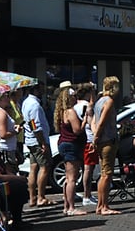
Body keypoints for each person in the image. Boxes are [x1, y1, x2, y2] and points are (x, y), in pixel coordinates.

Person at [54, 85, 87, 216]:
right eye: (73, 96)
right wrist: (84, 121)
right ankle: (71, 207)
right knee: (72, 178)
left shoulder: (61, 112)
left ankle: (66, 206)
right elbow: (77, 130)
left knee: (68, 178)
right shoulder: (70, 112)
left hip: (64, 144)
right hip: (72, 145)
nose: (75, 98)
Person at [92, 76, 121, 215]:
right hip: (107, 140)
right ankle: (104, 206)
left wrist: (95, 136)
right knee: (107, 174)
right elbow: (102, 122)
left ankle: (100, 205)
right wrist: (96, 137)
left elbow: (93, 121)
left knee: (103, 173)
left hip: (102, 140)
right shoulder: (108, 101)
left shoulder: (98, 101)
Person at [22, 83, 54, 207]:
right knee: (44, 167)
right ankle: (40, 197)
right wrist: (42, 142)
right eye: (41, 89)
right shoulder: (34, 105)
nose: (43, 91)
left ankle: (32, 197)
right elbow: (35, 125)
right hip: (37, 141)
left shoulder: (26, 102)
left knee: (33, 168)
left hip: (30, 140)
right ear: (35, 90)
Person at [75, 83, 98, 207]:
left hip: (83, 140)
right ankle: (86, 195)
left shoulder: (76, 106)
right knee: (89, 168)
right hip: (89, 139)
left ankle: (87, 194)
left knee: (87, 168)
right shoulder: (86, 107)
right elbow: (91, 123)